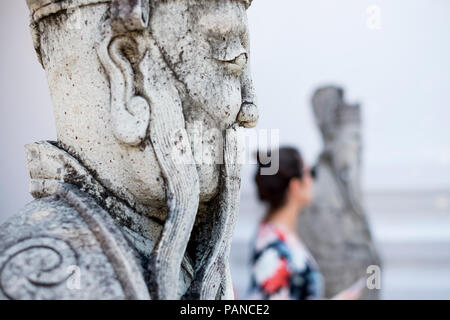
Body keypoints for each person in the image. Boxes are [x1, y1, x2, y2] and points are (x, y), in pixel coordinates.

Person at [248, 147, 363, 300]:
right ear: (295, 186)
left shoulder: (278, 237)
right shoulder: (275, 249)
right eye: (310, 173)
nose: (313, 180)